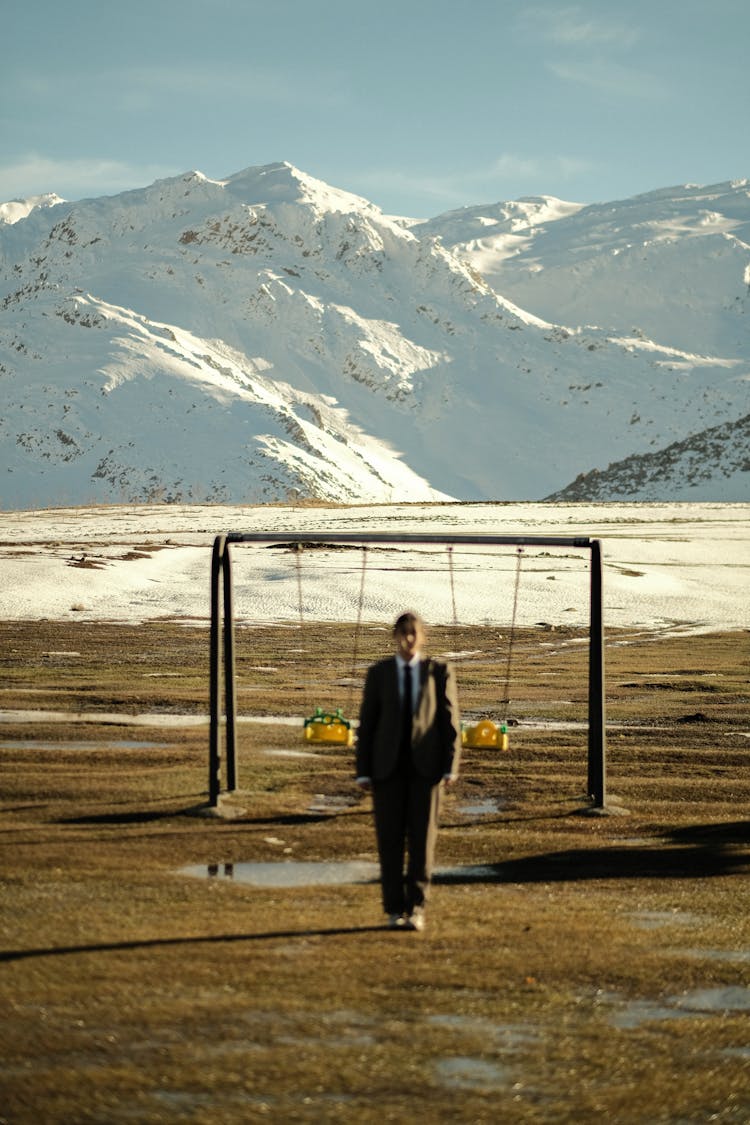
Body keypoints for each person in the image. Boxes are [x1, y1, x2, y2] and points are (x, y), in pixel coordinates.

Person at [355, 611, 462, 931]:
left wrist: (450, 765)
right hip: (386, 770)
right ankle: (393, 908)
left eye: (413, 633)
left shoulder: (437, 671)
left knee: (422, 840)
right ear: (395, 636)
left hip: (425, 770)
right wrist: (363, 770)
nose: (408, 639)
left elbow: (449, 721)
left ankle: (416, 907)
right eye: (403, 633)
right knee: (389, 841)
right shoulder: (380, 673)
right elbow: (368, 724)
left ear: (421, 636)